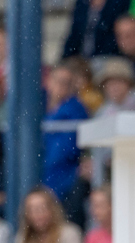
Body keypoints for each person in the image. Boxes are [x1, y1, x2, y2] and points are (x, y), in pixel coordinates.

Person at [42, 64, 88, 205]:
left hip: (65, 177)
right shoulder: (38, 105)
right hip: (41, 174)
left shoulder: (76, 110)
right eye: (58, 80)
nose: (62, 86)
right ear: (49, 81)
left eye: (67, 82)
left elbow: (66, 150)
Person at [64, 0, 133, 59]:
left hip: (110, 57)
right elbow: (74, 35)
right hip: (82, 59)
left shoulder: (120, 2)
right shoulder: (82, 3)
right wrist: (65, 58)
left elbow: (117, 35)